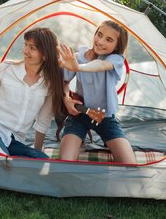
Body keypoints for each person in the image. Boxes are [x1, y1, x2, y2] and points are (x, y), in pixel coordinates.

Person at [0, 27, 64, 158]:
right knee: (1, 158)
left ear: (45, 55)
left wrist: (38, 152)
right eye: (26, 45)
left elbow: (43, 120)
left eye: (32, 48)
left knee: (42, 160)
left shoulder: (50, 82)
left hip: (15, 139)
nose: (25, 51)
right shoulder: (7, 68)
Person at [58, 20, 136, 164]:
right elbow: (64, 82)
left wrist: (78, 67)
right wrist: (66, 98)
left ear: (117, 46)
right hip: (79, 115)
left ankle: (109, 140)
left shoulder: (116, 59)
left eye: (109, 40)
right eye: (99, 35)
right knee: (65, 161)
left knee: (129, 163)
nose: (100, 41)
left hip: (106, 118)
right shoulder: (78, 57)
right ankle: (79, 139)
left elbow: (99, 65)